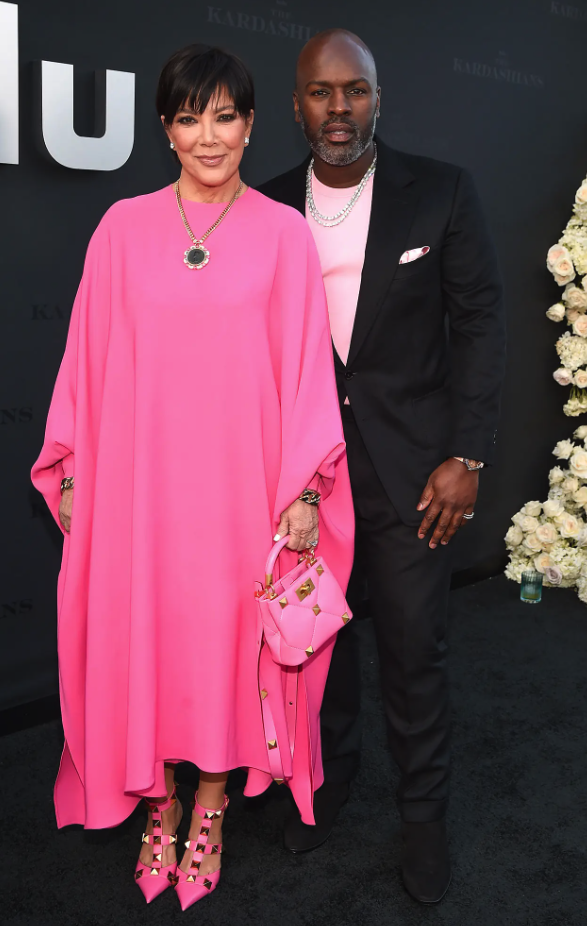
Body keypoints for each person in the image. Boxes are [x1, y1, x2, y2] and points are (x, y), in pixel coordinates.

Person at [32, 43, 354, 911]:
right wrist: (70, 467)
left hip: (241, 492)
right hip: (139, 493)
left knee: (219, 651)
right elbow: (85, 362)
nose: (206, 136)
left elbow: (306, 373)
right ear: (166, 128)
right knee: (150, 644)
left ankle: (210, 805)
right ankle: (158, 801)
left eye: (224, 116)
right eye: (187, 117)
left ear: (250, 125)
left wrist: (304, 490)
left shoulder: (284, 234)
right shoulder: (121, 228)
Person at [259, 29, 505, 904]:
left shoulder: (439, 192)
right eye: (320, 93)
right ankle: (321, 786)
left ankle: (423, 819)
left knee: (414, 653)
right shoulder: (267, 207)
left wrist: (466, 454)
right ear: (295, 107)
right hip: (307, 480)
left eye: (353, 91)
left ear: (376, 98)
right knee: (314, 647)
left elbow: (477, 326)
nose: (337, 108)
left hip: (414, 477)